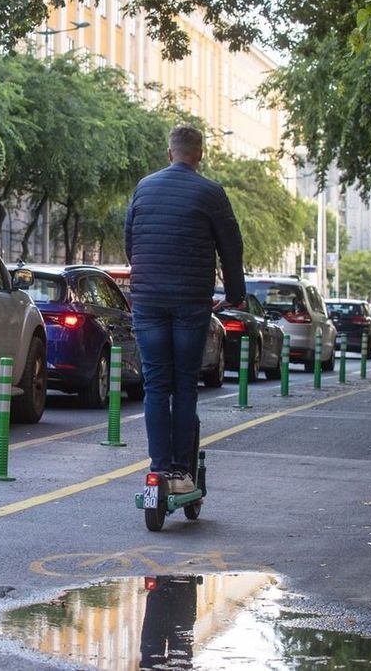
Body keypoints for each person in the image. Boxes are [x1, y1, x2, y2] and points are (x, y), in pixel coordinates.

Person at [125, 124, 245, 494]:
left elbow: (130, 241)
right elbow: (231, 247)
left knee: (156, 385)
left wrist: (147, 276)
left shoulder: (144, 187)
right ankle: (180, 473)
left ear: (169, 153)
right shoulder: (211, 192)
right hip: (191, 301)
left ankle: (158, 470)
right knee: (185, 384)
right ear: (200, 155)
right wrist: (235, 293)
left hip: (148, 301)